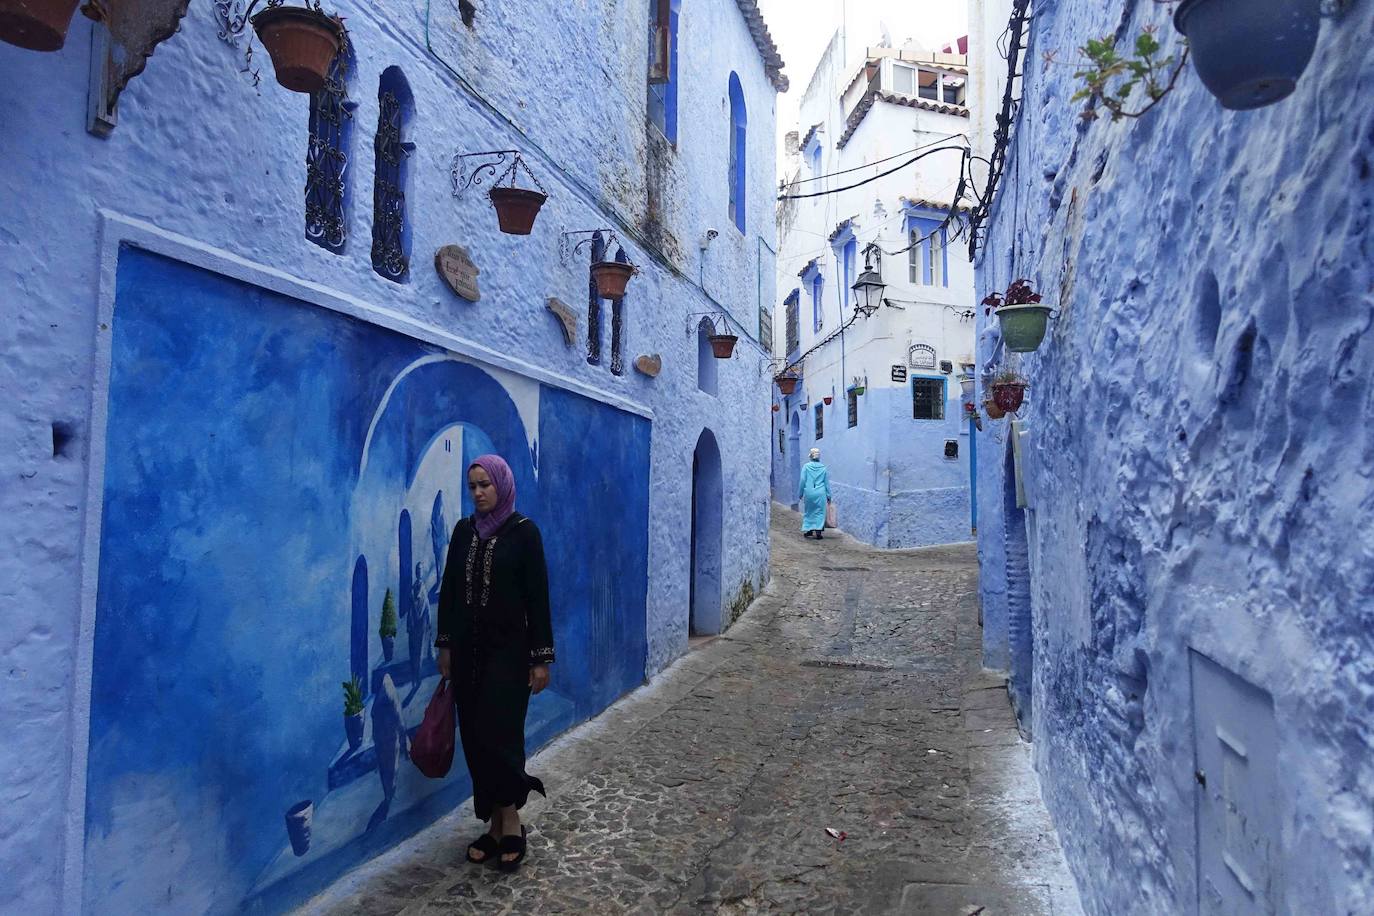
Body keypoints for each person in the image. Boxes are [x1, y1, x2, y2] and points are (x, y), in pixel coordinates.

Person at [436, 454, 554, 872]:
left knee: (501, 738)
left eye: (485, 484)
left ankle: (511, 821)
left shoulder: (524, 533)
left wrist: (541, 659)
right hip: (467, 656)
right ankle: (494, 824)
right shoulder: (463, 532)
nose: (478, 493)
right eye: (472, 486)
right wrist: (446, 647)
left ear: (501, 485)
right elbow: (449, 591)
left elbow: (538, 599)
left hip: (509, 657)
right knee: (475, 739)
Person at [799, 448, 832, 540]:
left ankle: (809, 530)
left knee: (809, 511)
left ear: (810, 456)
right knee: (820, 512)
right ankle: (818, 531)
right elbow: (826, 483)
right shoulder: (823, 468)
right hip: (820, 493)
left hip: (809, 492)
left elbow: (802, 480)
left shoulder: (806, 467)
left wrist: (800, 493)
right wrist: (829, 496)